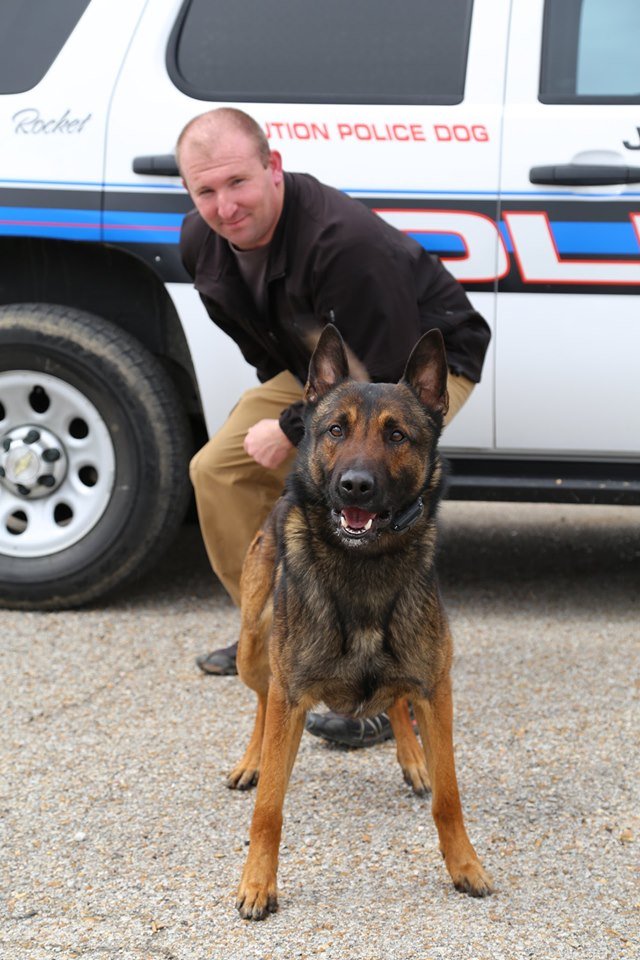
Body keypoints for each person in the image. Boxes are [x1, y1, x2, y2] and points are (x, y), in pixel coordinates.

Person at [178, 108, 490, 747]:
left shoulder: (343, 243)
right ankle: (268, 627)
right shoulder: (200, 241)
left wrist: (296, 427)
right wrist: (296, 410)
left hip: (414, 367)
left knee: (368, 484)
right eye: (205, 191)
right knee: (217, 471)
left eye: (238, 182)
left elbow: (386, 381)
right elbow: (263, 343)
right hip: (320, 373)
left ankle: (378, 683)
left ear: (273, 168)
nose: (225, 206)